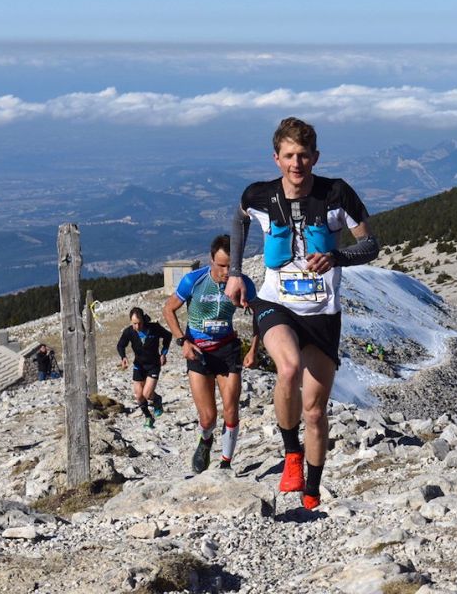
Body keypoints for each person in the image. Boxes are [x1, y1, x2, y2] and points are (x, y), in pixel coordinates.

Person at [225, 117, 379, 509]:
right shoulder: (258, 196)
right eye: (289, 155)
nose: (297, 163)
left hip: (324, 313)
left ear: (315, 157)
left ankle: (311, 492)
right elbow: (239, 221)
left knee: (314, 410)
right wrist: (237, 273)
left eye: (304, 156)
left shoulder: (336, 194)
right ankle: (290, 453)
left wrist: (336, 256)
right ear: (276, 158)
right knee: (288, 369)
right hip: (276, 303)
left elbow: (372, 244)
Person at [162, 234, 256, 474]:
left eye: (230, 266)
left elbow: (261, 316)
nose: (226, 271)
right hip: (199, 352)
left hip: (227, 349)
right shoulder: (193, 280)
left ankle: (226, 463)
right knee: (208, 418)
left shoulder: (243, 282)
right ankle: (206, 440)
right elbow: (168, 309)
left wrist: (254, 348)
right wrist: (182, 341)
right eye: (221, 265)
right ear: (211, 259)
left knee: (231, 409)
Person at [116, 307, 172, 428]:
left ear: (143, 319)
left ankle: (156, 399)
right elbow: (120, 345)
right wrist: (123, 357)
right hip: (138, 366)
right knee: (138, 395)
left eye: (139, 322)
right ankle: (148, 417)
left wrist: (163, 353)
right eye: (134, 323)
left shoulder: (154, 328)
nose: (137, 326)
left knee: (147, 394)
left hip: (153, 365)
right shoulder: (129, 332)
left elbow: (168, 336)